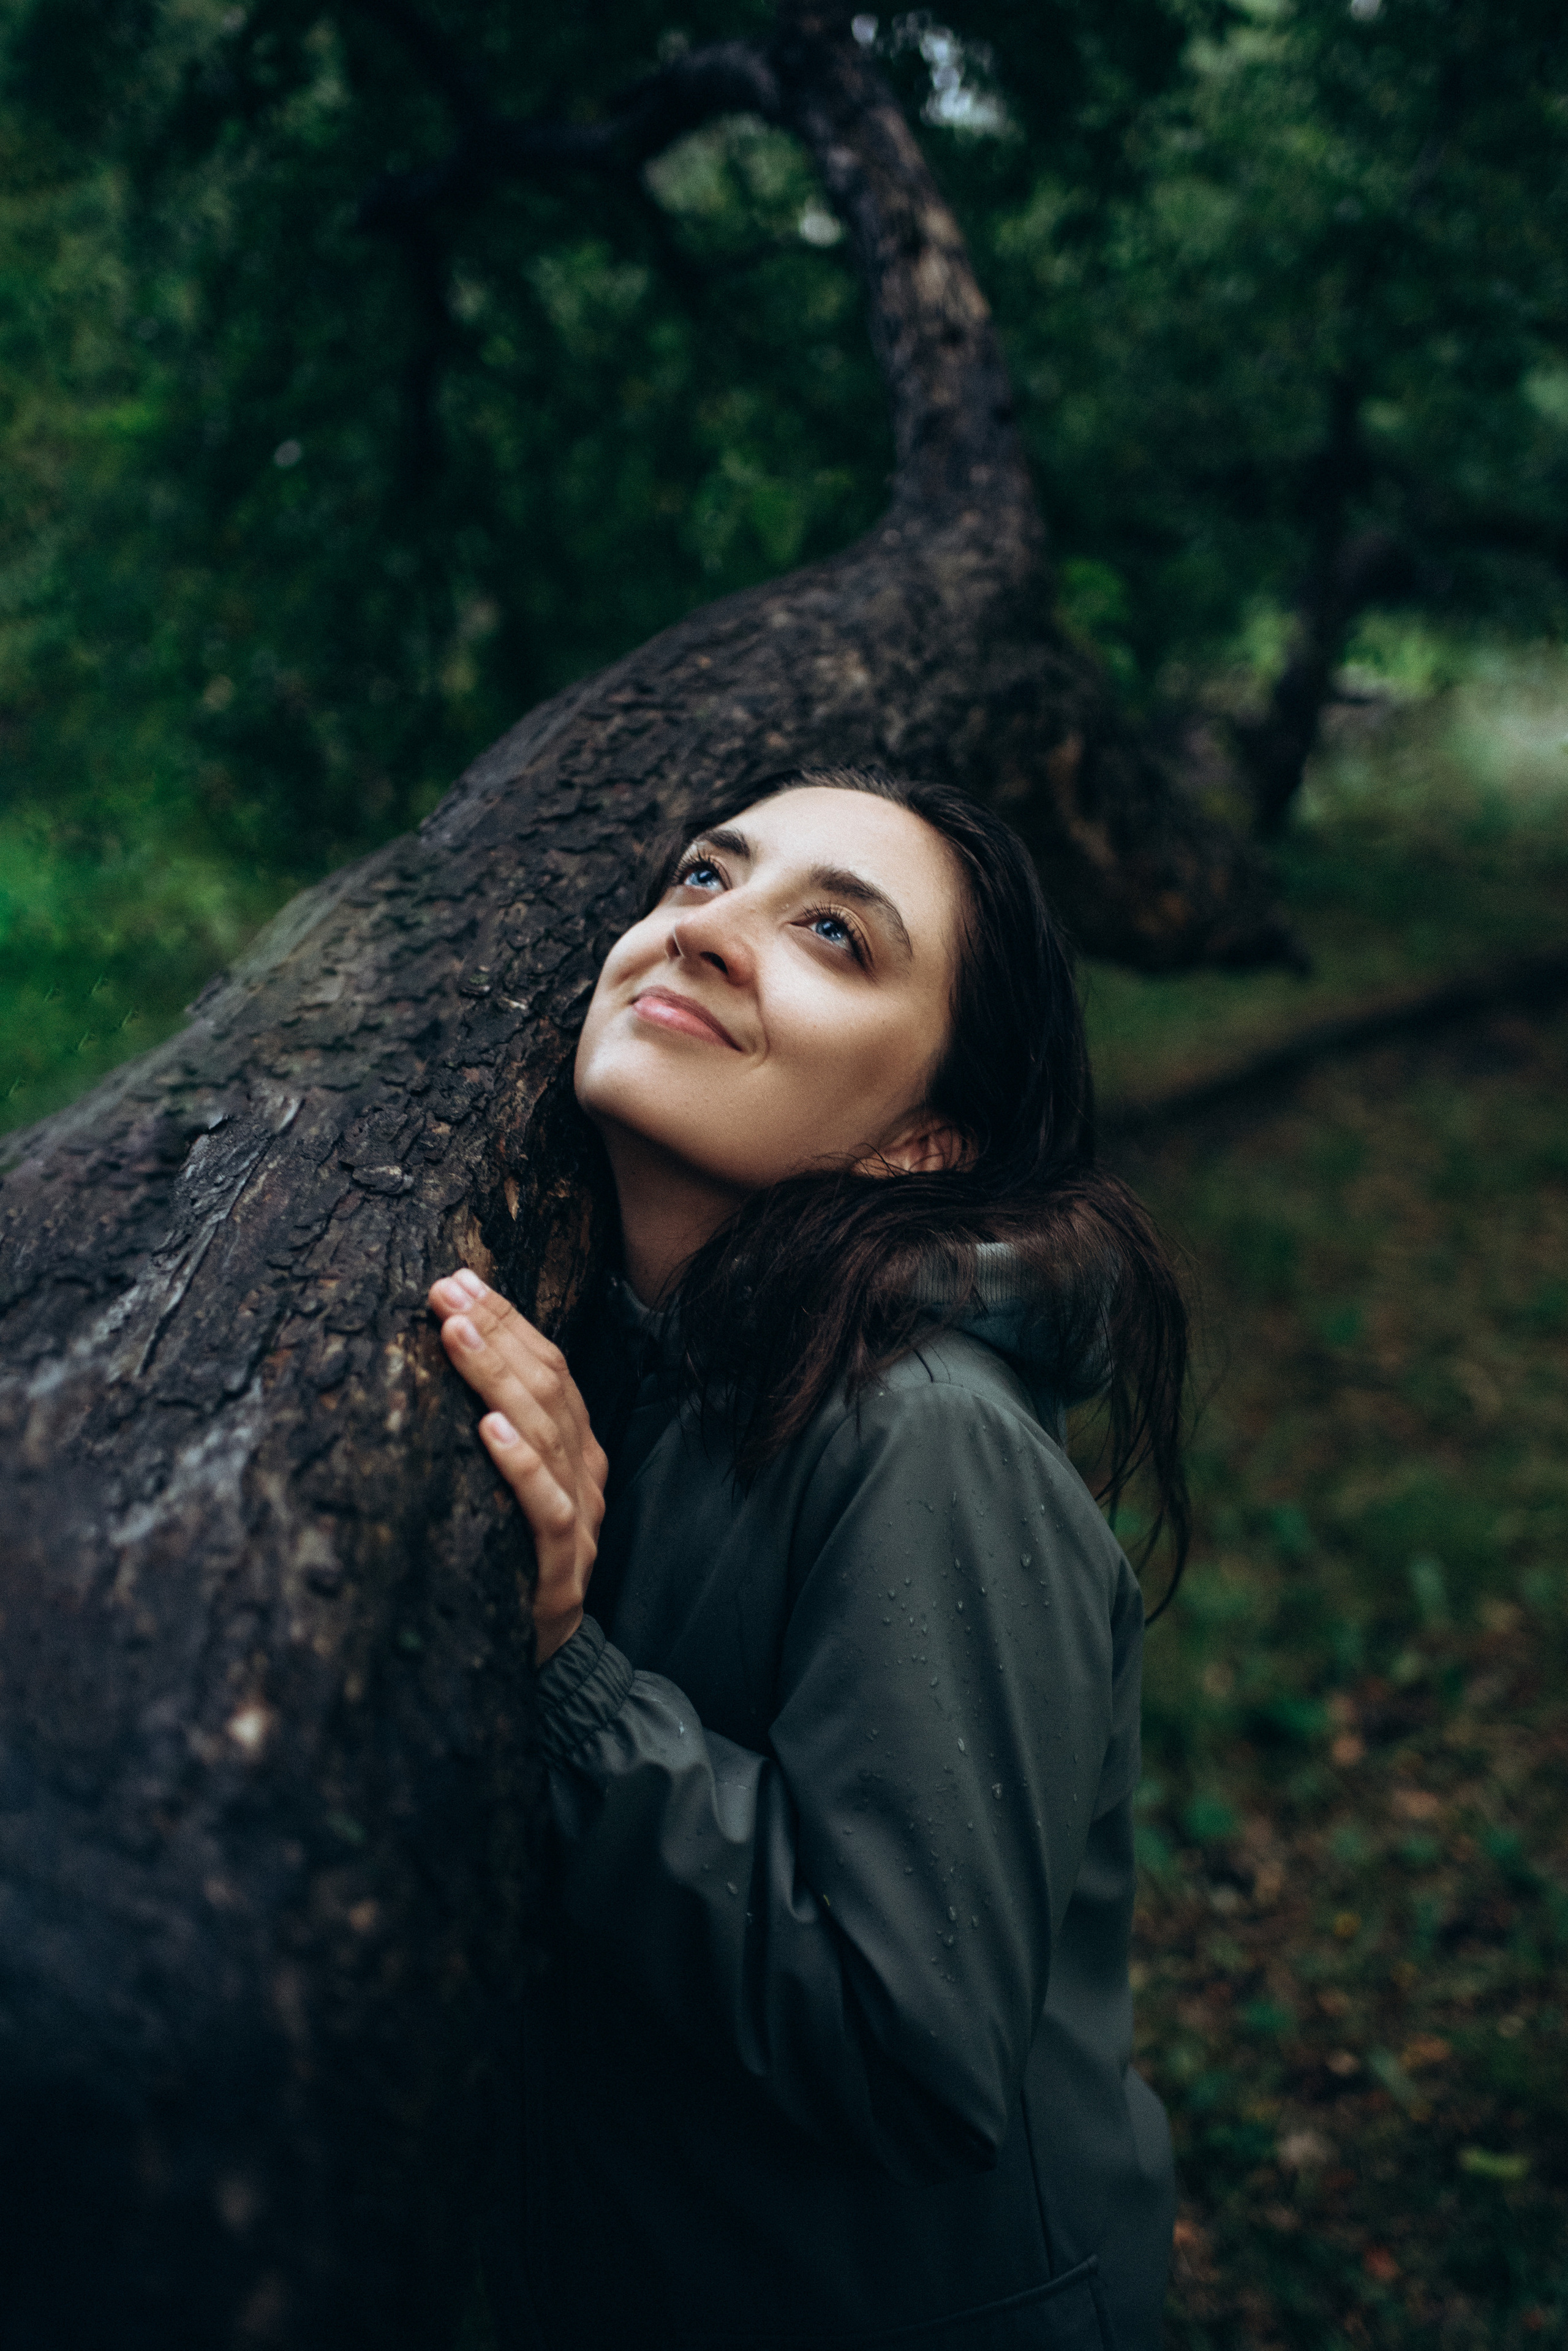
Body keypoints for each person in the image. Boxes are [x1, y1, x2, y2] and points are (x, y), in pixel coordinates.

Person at [426, 768, 1186, 2351]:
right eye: (707, 876)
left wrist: (573, 1678)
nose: (707, 932)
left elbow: (913, 2052)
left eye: (835, 935)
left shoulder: (926, 1436)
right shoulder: (662, 1360)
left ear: (922, 1140)